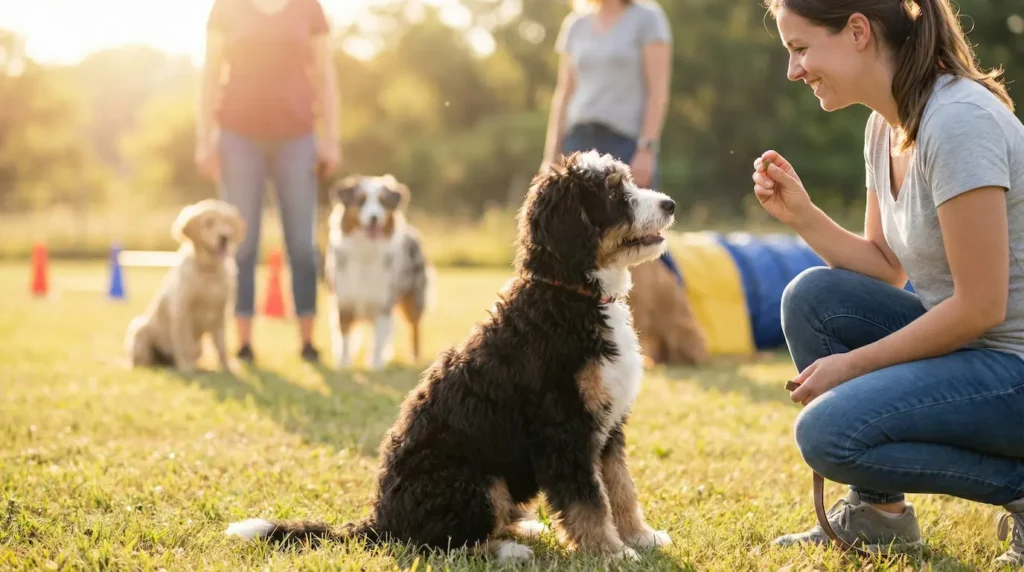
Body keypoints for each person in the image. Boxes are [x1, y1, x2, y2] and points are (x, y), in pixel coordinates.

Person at [752, 0, 1024, 563]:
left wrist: (851, 367)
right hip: (976, 352)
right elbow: (885, 265)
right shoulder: (887, 126)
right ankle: (878, 515)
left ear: (857, 31)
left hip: (1012, 365)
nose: (793, 71)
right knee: (813, 297)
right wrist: (803, 215)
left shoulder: (958, 120)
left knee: (826, 434)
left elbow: (981, 307)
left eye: (800, 49)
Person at [196, 0, 340, 364]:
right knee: (240, 244)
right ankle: (243, 343)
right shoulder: (225, 7)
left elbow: (324, 74)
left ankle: (307, 342)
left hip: (297, 136)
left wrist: (331, 138)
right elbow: (210, 73)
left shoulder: (309, 8)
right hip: (237, 136)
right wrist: (204, 139)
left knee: (303, 245)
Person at [542, 0, 684, 285]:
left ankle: (677, 313)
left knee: (646, 237)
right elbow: (563, 94)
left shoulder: (647, 18)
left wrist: (646, 148)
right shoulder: (575, 24)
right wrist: (551, 156)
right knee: (574, 244)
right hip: (578, 140)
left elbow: (658, 90)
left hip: (625, 143)